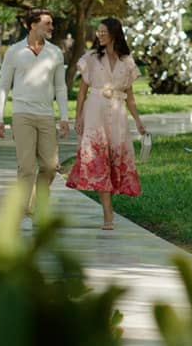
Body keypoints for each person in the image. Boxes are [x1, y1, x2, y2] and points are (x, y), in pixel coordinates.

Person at [66, 17, 145, 230]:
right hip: (94, 113)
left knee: (114, 162)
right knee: (99, 162)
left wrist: (138, 121)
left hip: (118, 116)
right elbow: (81, 93)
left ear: (114, 33)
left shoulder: (127, 61)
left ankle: (109, 212)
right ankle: (108, 216)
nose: (99, 35)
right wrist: (78, 117)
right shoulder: (91, 58)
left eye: (103, 32)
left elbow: (130, 97)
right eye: (98, 32)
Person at [0, 9, 69, 229]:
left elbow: (60, 87)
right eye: (47, 23)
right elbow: (3, 86)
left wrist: (64, 117)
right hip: (22, 115)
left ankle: (38, 205)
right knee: (26, 167)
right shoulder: (15, 52)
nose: (51, 27)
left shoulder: (55, 53)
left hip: (46, 115)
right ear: (32, 25)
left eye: (51, 23)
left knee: (50, 166)